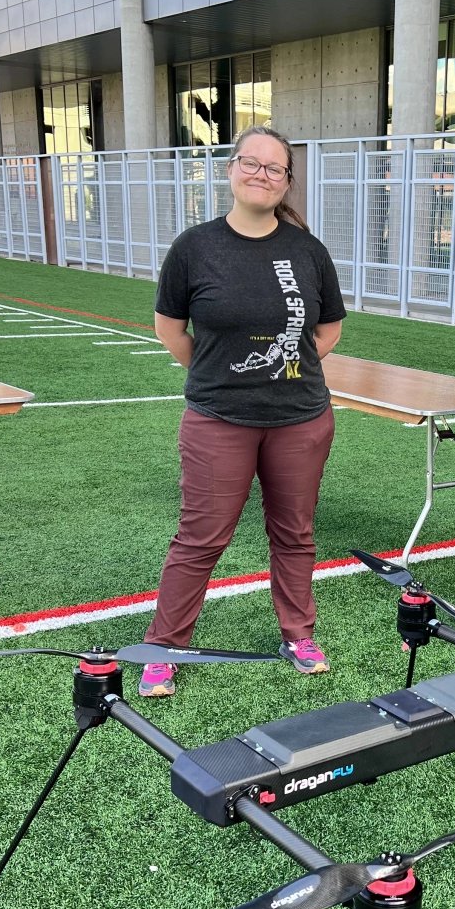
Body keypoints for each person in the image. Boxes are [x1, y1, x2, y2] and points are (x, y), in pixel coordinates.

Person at [138, 125, 347, 698]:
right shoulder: (195, 247)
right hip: (217, 419)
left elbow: (326, 329)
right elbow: (170, 329)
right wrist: (223, 373)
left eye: (274, 168)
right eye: (250, 163)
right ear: (231, 170)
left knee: (295, 533)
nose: (261, 174)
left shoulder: (307, 251)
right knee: (201, 536)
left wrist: (281, 367)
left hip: (300, 416)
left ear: (286, 182)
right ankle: (165, 646)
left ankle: (298, 635)